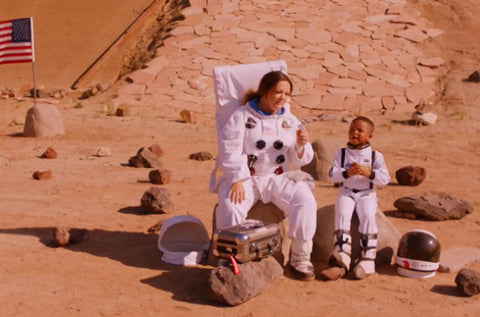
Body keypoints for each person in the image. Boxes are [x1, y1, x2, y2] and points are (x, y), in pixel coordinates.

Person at [211, 71, 317, 281]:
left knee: (305, 201)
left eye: (287, 94)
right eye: (278, 91)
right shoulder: (241, 116)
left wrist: (301, 144)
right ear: (264, 91)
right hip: (247, 177)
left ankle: (300, 258)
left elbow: (299, 160)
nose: (282, 98)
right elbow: (229, 150)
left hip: (277, 177)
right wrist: (237, 180)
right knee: (231, 205)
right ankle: (230, 257)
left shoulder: (289, 120)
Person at [323, 116, 390, 280]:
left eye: (360, 130)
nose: (355, 133)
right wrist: (347, 173)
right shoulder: (342, 153)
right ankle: (342, 252)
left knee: (367, 216)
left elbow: (385, 178)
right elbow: (332, 174)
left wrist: (368, 173)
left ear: (370, 136)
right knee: (343, 214)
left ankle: (368, 258)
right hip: (346, 192)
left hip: (366, 193)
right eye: (352, 129)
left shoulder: (375, 156)